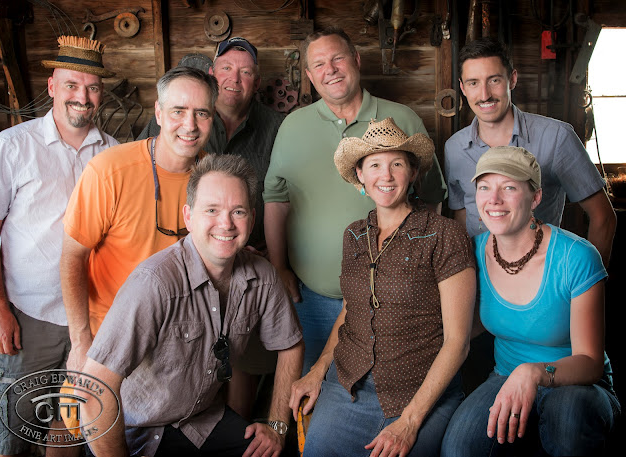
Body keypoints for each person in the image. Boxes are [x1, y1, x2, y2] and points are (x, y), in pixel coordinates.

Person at [78, 154, 304, 457]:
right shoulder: (154, 283)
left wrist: (277, 426)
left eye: (237, 211)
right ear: (188, 216)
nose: (226, 223)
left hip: (200, 420)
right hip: (134, 431)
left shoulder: (262, 276)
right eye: (212, 210)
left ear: (251, 218)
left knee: (278, 453)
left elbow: (291, 346)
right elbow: (94, 390)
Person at [264, 27, 448, 374]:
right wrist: (279, 268)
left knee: (383, 389)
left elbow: (432, 197)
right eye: (319, 64)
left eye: (338, 58)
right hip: (312, 297)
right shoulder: (292, 127)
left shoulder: (402, 119)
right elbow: (275, 198)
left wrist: (416, 269)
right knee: (313, 390)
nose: (330, 70)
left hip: (388, 299)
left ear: (356, 60)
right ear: (309, 76)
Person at [289, 118, 476, 457]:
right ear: (360, 174)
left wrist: (410, 422)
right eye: (374, 165)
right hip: (349, 386)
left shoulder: (445, 234)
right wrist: (318, 370)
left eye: (397, 164)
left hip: (420, 392)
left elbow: (457, 343)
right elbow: (351, 311)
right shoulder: (354, 235)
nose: (385, 176)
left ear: (413, 172)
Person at [137, 36, 285, 419]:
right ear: (212, 73)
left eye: (246, 72)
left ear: (256, 81)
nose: (235, 79)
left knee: (241, 359)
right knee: (185, 360)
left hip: (244, 259)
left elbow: (283, 193)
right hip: (181, 259)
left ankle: (235, 431)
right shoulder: (192, 122)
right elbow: (150, 171)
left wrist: (269, 254)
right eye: (227, 69)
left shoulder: (275, 127)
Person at [441, 146, 621, 457]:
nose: (494, 199)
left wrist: (533, 372)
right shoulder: (473, 251)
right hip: (505, 376)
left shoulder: (576, 256)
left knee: (568, 424)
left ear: (535, 197)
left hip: (577, 384)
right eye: (484, 187)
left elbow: (590, 363)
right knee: (458, 448)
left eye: (509, 187)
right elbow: (465, 327)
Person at [0, 36, 117, 456]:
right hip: (28, 316)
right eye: (72, 85)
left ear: (102, 93)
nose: (82, 97)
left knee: (67, 432)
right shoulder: (12, 146)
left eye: (92, 88)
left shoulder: (114, 155)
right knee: (10, 439)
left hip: (90, 320)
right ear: (52, 87)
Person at [60, 66, 218, 374]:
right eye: (178, 111)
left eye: (201, 113)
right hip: (111, 337)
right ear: (158, 113)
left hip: (182, 339)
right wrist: (80, 342)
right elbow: (72, 257)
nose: (190, 125)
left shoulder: (214, 177)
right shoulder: (109, 171)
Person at [444, 37, 615, 267]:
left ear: (512, 79)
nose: (484, 95)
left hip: (542, 275)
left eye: (494, 80)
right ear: (463, 88)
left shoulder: (556, 137)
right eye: (473, 83)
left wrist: (590, 280)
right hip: (479, 276)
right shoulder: (454, 147)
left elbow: (603, 217)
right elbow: (462, 217)